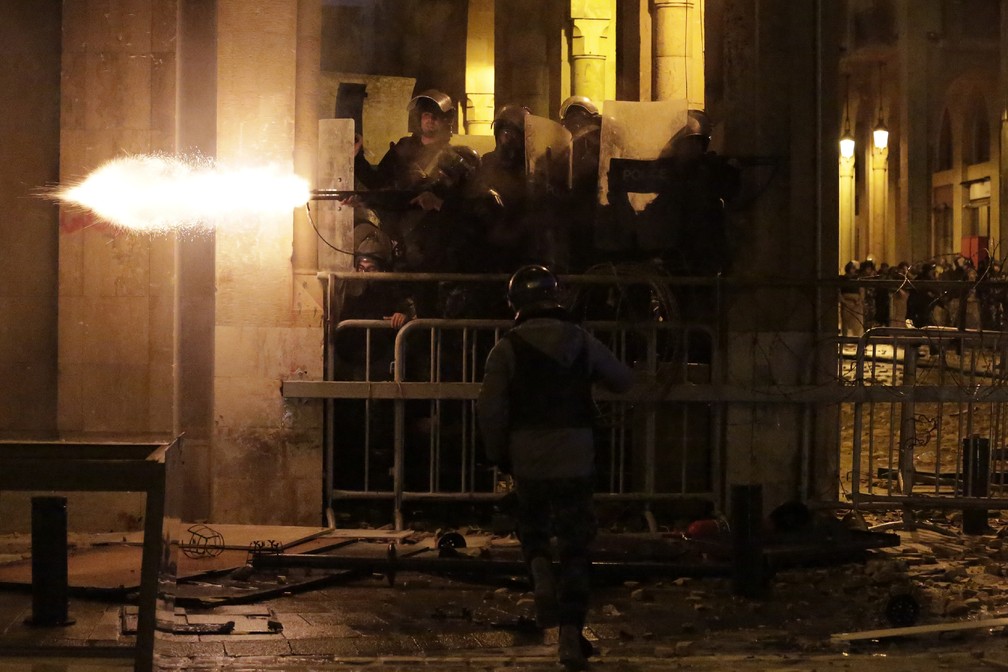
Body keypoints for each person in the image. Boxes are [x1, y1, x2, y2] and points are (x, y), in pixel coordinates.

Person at [477, 265, 635, 671]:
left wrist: (498, 454)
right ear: (556, 297)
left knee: (532, 526)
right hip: (576, 452)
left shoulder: (506, 349)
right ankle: (569, 636)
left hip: (528, 454)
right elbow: (622, 379)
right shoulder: (582, 341)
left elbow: (491, 410)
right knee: (576, 544)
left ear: (514, 303)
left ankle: (540, 571)